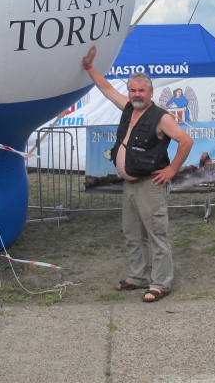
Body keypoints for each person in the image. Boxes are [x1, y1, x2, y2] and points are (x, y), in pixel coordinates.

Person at [82, 45, 193, 302]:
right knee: (132, 235)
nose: (136, 94)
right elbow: (107, 89)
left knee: (156, 235)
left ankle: (160, 283)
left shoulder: (161, 117)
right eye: (133, 90)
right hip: (130, 185)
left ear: (151, 92)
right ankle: (138, 276)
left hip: (150, 185)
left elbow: (185, 141)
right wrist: (89, 67)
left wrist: (172, 169)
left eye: (141, 90)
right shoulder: (129, 108)